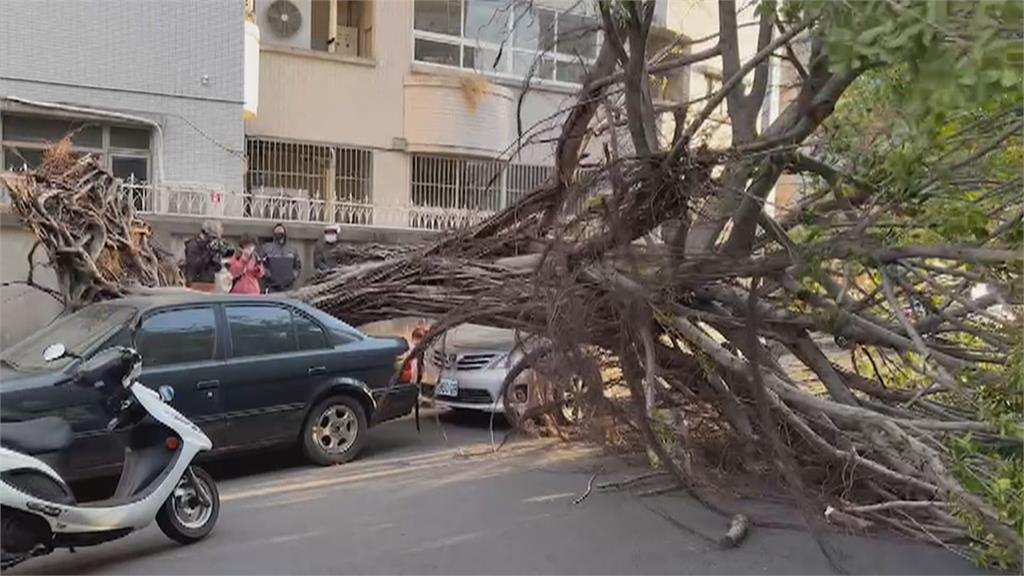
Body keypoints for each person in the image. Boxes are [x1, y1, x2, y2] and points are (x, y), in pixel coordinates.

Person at [183, 220, 224, 292]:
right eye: (213, 237)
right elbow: (195, 266)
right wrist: (209, 252)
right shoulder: (193, 245)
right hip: (196, 284)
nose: (214, 240)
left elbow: (216, 268)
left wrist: (218, 254)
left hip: (210, 284)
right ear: (206, 234)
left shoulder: (209, 246)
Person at [261, 222, 301, 292]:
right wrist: (270, 276)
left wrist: (292, 277)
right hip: (272, 286)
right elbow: (262, 265)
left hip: (289, 287)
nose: (279, 234)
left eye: (281, 232)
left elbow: (297, 266)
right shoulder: (267, 248)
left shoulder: (292, 249)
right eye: (277, 232)